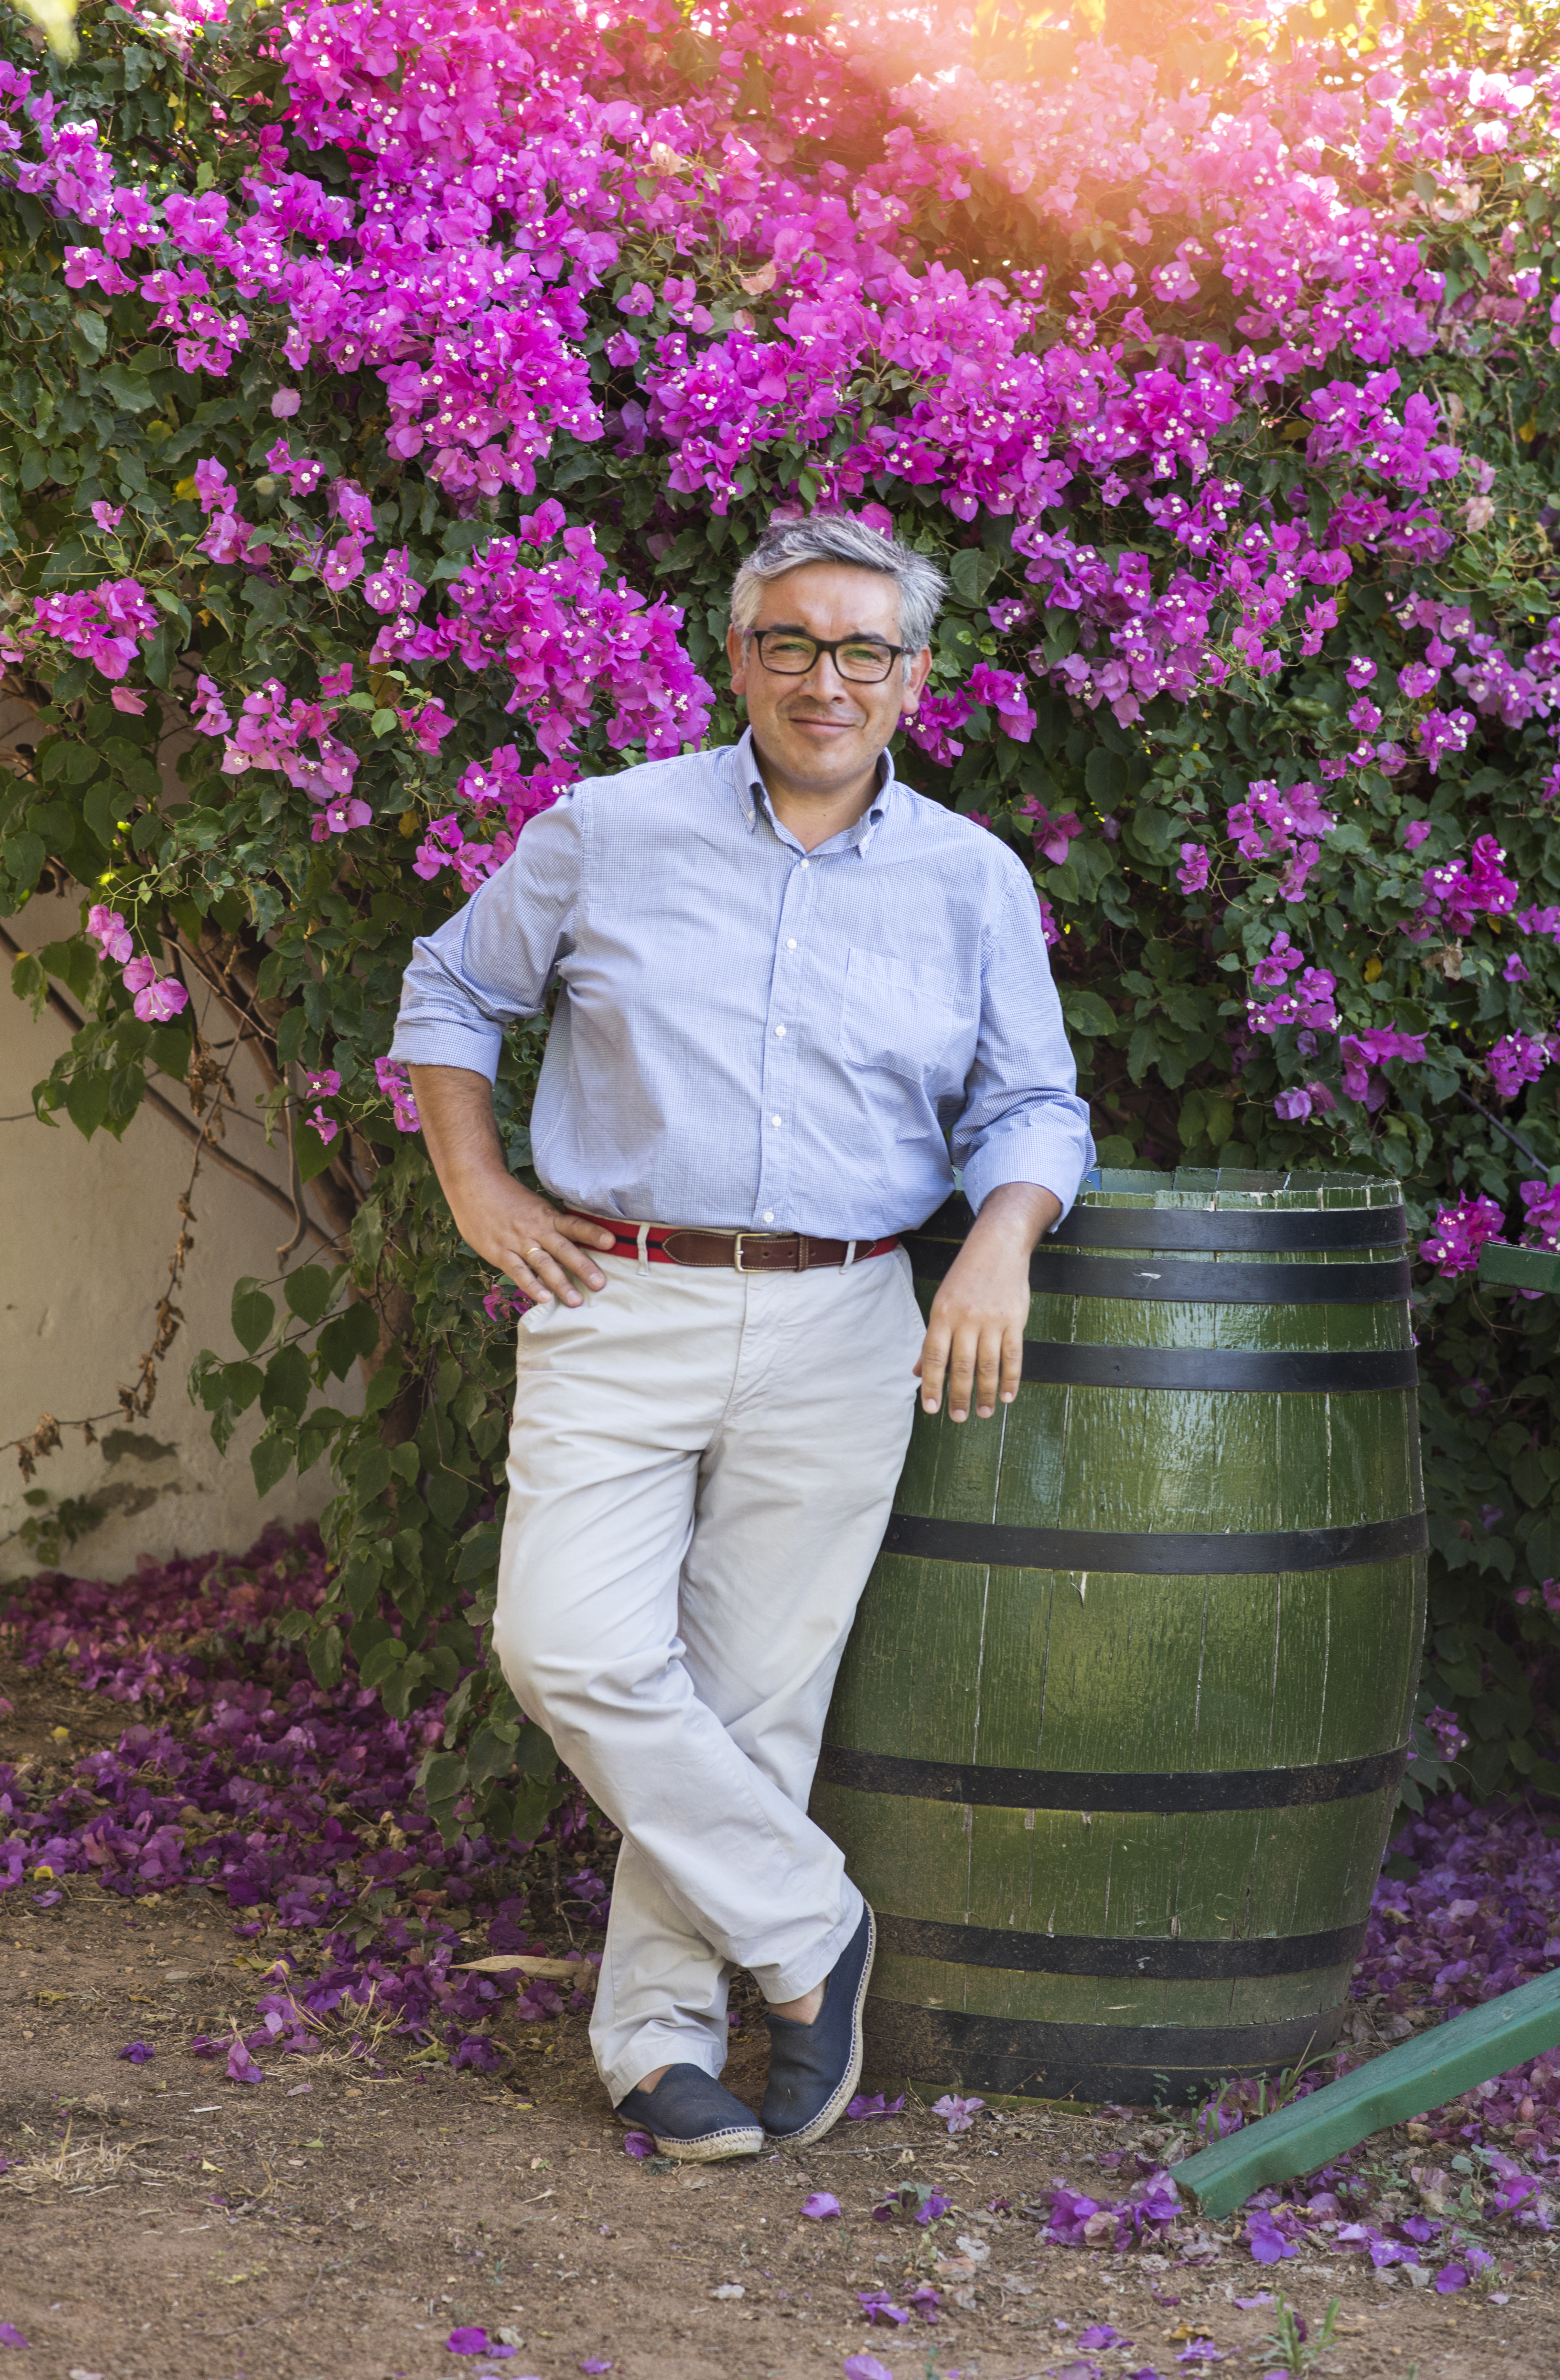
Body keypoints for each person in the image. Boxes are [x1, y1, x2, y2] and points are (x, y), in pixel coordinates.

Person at [392, 512, 1093, 2161]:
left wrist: (998, 1240)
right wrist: (475, 1180)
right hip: (616, 1295)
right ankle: (812, 1930)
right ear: (737, 659)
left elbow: (1034, 1099)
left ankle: (655, 2044)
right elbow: (448, 990)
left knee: (753, 1702)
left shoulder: (969, 879)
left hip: (852, 1310)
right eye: (790, 642)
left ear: (914, 680)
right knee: (565, 1646)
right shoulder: (606, 829)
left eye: (862, 649)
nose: (823, 677)